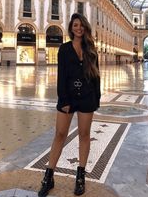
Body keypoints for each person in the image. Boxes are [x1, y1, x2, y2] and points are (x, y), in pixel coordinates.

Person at [38, 13, 101, 197]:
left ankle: (80, 177)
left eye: (81, 25)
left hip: (87, 97)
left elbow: (96, 75)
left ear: (85, 27)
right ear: (71, 28)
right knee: (59, 134)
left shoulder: (91, 49)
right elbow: (61, 75)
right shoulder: (64, 49)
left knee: (84, 135)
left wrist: (96, 97)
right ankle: (48, 177)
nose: (79, 28)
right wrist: (63, 99)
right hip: (68, 98)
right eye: (75, 25)